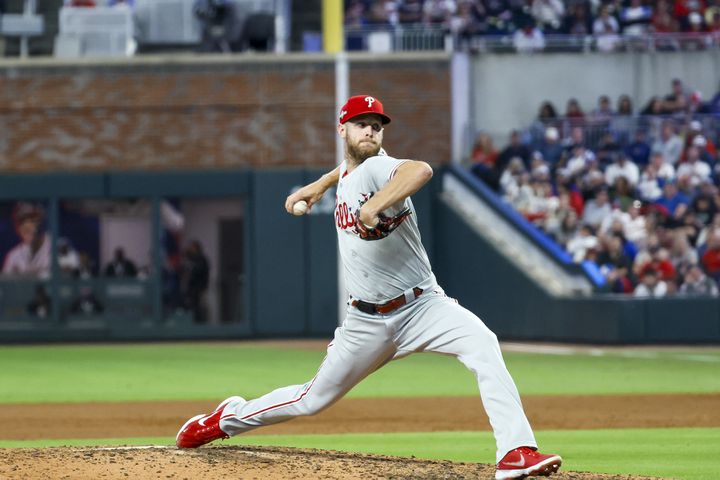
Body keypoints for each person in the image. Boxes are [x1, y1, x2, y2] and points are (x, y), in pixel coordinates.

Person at [175, 95, 563, 479]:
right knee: (311, 400)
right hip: (366, 322)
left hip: (423, 306)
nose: (371, 130)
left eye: (377, 125)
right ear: (342, 129)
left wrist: (374, 205)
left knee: (483, 343)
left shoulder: (382, 168)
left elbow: (421, 171)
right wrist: (322, 183)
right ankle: (228, 418)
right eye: (361, 123)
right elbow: (347, 171)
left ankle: (515, 451)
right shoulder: (348, 173)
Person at [2, 203, 51, 278]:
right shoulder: (14, 256)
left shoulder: (59, 247)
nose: (26, 224)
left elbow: (72, 280)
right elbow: (4, 287)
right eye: (21, 221)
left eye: (32, 220)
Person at [180, 240, 210, 323]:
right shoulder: (190, 259)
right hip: (191, 288)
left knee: (198, 307)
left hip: (198, 287)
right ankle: (191, 322)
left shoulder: (201, 259)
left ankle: (199, 324)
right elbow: (184, 270)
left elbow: (199, 271)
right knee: (189, 306)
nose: (190, 249)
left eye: (192, 247)